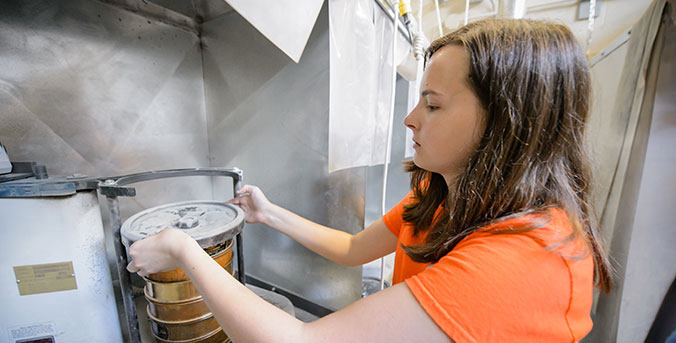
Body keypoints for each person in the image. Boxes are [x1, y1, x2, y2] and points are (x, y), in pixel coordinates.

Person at [127, 18, 612, 342]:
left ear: (505, 123)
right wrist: (267, 214)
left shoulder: (524, 259)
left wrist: (184, 249)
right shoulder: (443, 192)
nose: (411, 118)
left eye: (434, 104)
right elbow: (353, 249)